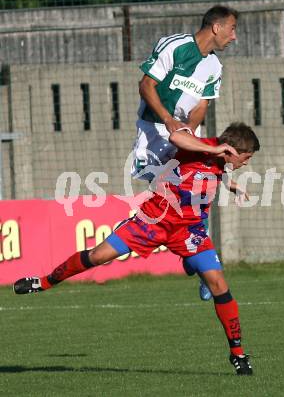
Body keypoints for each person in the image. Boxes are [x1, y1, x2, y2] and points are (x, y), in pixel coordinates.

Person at [14, 122, 260, 376]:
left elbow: (212, 173)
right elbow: (177, 136)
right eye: (247, 156)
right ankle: (43, 282)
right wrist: (217, 148)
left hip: (189, 230)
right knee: (98, 256)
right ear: (232, 149)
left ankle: (238, 355)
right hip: (153, 221)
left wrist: (232, 185)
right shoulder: (202, 146)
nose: (247, 162)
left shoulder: (220, 162)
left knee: (219, 285)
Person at [131, 5, 238, 301]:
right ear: (216, 27)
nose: (234, 36)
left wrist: (186, 134)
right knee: (170, 196)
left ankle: (201, 266)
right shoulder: (174, 46)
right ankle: (192, 256)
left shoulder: (215, 67)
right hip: (153, 131)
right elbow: (146, 85)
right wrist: (169, 121)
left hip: (185, 133)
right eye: (232, 29)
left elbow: (202, 106)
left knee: (197, 192)